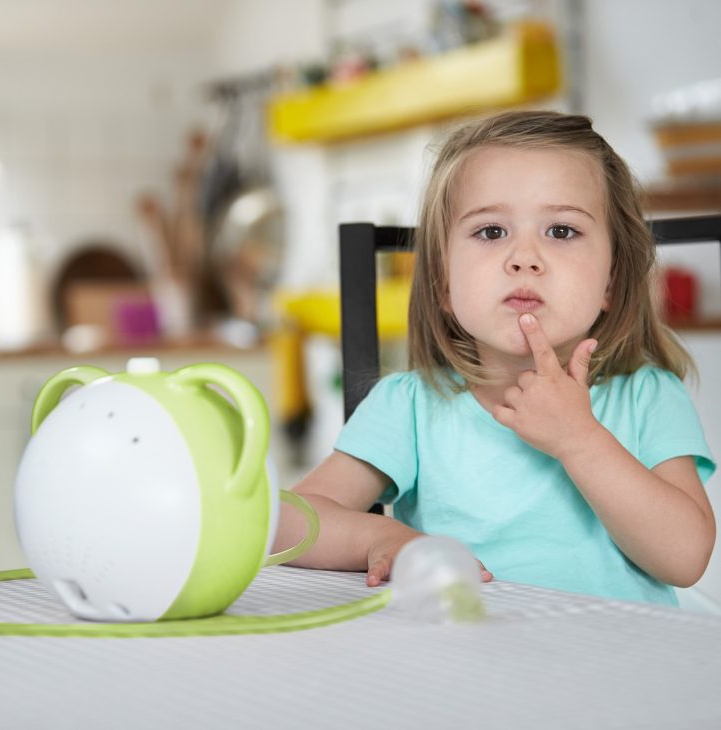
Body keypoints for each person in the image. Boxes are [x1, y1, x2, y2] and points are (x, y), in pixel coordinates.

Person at [273, 110, 716, 605]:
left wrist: (580, 440)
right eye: (490, 232)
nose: (524, 258)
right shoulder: (412, 406)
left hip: (618, 671)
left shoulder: (647, 395)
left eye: (562, 231)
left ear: (611, 280)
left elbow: (684, 558)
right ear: (443, 282)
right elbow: (287, 522)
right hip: (463, 668)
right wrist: (381, 538)